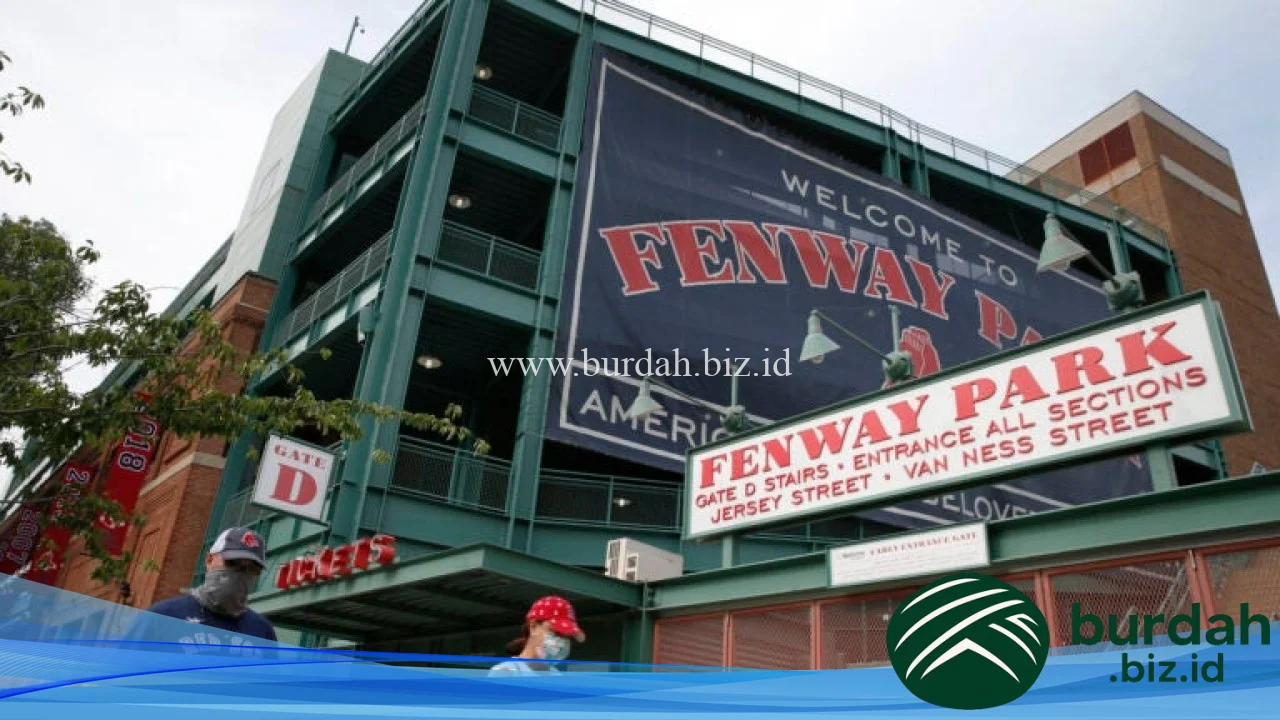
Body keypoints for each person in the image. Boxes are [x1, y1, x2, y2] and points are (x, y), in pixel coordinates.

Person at [143, 526, 277, 646]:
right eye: (233, 563)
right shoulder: (163, 617)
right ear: (209, 560)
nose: (240, 574)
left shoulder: (262, 631)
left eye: (252, 569)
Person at [488, 595, 585, 676]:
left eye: (567, 636)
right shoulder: (506, 672)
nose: (562, 643)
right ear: (533, 626)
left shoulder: (557, 676)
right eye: (556, 632)